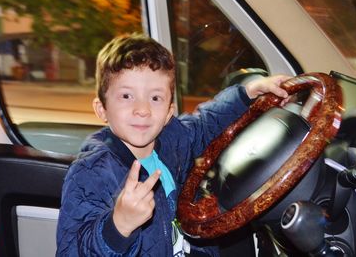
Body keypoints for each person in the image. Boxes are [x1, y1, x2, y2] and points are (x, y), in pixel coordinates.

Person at [56, 33, 289, 256]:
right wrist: (118, 226)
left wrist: (248, 92)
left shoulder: (170, 139)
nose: (143, 110)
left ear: (169, 112)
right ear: (101, 109)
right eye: (127, 96)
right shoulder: (91, 172)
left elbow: (205, 124)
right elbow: (70, 250)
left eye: (155, 98)